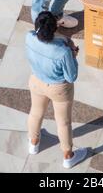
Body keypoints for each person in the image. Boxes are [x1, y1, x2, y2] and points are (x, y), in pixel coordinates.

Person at [26, 11, 87, 169]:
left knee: (35, 112)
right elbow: (71, 76)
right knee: (63, 123)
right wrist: (73, 55)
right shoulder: (63, 51)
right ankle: (68, 156)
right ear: (54, 28)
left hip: (36, 81)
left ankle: (34, 143)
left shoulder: (29, 37)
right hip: (59, 89)